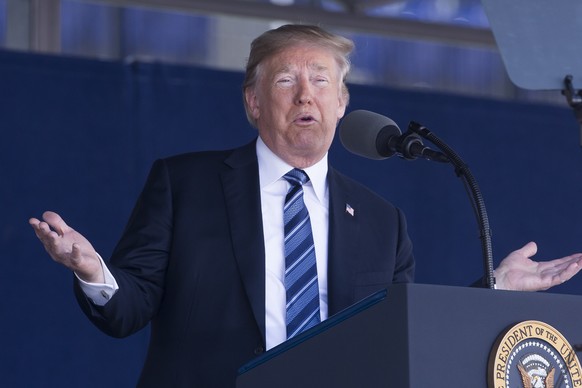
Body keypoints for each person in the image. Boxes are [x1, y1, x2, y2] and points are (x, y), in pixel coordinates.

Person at [29, 24, 582, 387]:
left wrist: (496, 290)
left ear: (342, 104)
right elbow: (127, 310)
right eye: (287, 80)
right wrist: (93, 270)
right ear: (253, 100)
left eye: (321, 81)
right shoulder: (184, 184)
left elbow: (411, 336)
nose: (305, 95)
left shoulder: (381, 221)